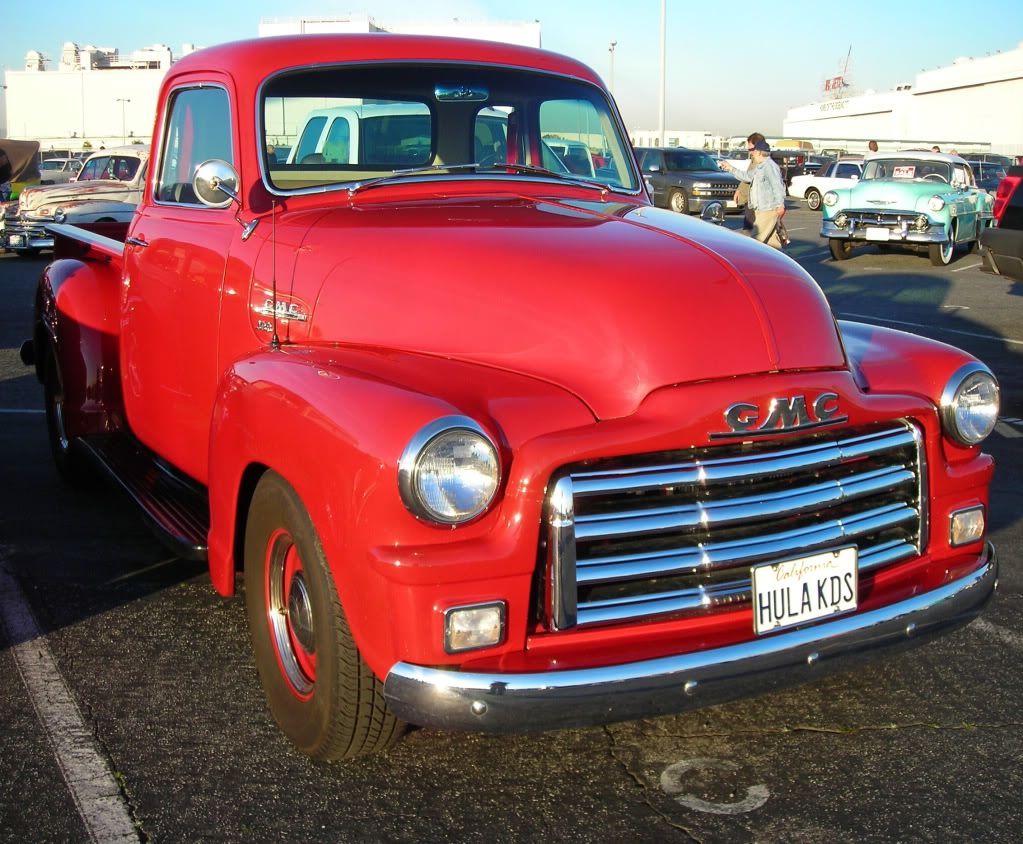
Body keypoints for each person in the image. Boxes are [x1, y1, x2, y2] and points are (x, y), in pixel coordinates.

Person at [725, 132, 789, 245]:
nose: (751, 154)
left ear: (759, 152)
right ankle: (778, 262)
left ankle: (749, 262)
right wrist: (730, 168)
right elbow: (747, 177)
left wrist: (780, 205)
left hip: (767, 210)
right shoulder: (760, 167)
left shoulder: (769, 166)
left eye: (753, 152)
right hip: (761, 210)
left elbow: (777, 186)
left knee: (756, 242)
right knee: (773, 244)